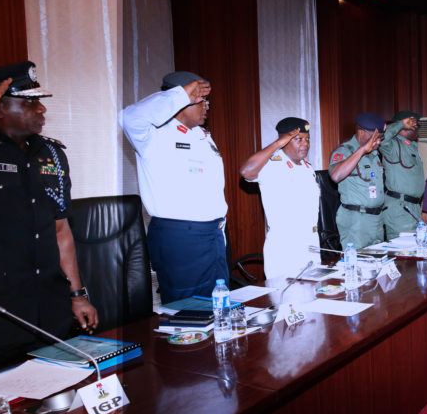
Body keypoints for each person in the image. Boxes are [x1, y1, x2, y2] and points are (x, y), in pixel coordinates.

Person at [0, 61, 98, 374]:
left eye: (40, 102)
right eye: (29, 102)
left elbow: (61, 230)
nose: (41, 110)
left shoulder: (50, 153)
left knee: (59, 394)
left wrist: (78, 296)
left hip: (48, 310)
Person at [119, 71, 228, 303]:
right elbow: (128, 117)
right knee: (189, 312)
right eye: (201, 100)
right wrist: (180, 94)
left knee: (218, 307)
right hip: (181, 236)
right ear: (181, 101)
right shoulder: (153, 135)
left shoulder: (203, 136)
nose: (207, 106)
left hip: (213, 234)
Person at [239, 117, 320, 279]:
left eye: (307, 139)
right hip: (285, 245)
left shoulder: (307, 167)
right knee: (285, 299)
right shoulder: (272, 164)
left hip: (311, 242)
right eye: (299, 139)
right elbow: (246, 171)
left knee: (313, 295)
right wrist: (276, 144)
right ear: (285, 140)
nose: (305, 144)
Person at [329, 113, 386, 249]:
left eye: (380, 139)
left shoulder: (374, 154)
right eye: (375, 138)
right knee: (358, 264)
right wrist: (361, 150)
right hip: (356, 221)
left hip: (377, 219)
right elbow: (336, 175)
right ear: (361, 132)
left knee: (377, 263)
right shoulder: (345, 151)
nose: (378, 142)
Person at [380, 111, 424, 238]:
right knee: (402, 252)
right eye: (415, 127)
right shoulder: (392, 145)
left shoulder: (411, 146)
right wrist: (400, 124)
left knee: (414, 250)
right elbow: (382, 137)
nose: (418, 131)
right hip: (399, 209)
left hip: (413, 207)